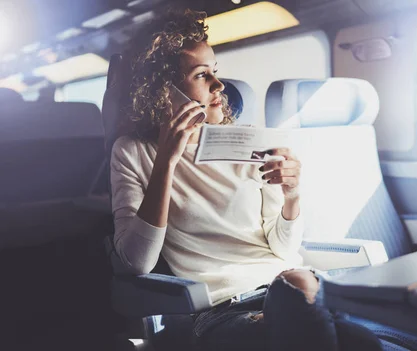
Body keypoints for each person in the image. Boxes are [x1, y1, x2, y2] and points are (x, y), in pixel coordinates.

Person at [111, 8, 386, 351]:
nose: (219, 85)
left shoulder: (246, 140)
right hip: (225, 310)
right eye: (201, 75)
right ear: (163, 90)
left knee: (364, 342)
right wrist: (167, 161)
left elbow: (283, 248)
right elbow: (138, 262)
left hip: (293, 289)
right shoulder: (133, 152)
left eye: (215, 72)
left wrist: (292, 195)